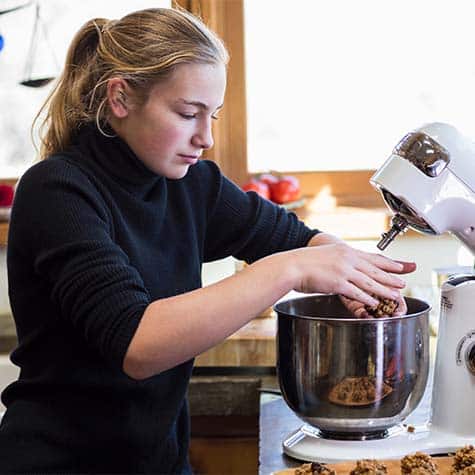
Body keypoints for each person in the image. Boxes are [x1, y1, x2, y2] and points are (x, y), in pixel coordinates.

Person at [0, 7, 416, 474]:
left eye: (213, 115)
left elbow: (297, 239)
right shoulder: (57, 191)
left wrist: (356, 281)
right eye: (187, 113)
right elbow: (139, 345)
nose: (206, 138)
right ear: (120, 98)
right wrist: (289, 269)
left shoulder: (191, 183)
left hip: (161, 464)